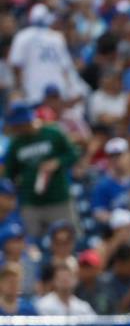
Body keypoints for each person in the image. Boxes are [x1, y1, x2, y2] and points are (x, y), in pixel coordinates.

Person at [3, 102, 79, 238]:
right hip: (31, 202)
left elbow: (74, 153)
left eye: (18, 125)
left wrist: (57, 162)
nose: (16, 129)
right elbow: (10, 173)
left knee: (67, 239)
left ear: (26, 122)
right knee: (31, 241)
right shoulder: (16, 144)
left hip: (58, 198)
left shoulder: (53, 133)